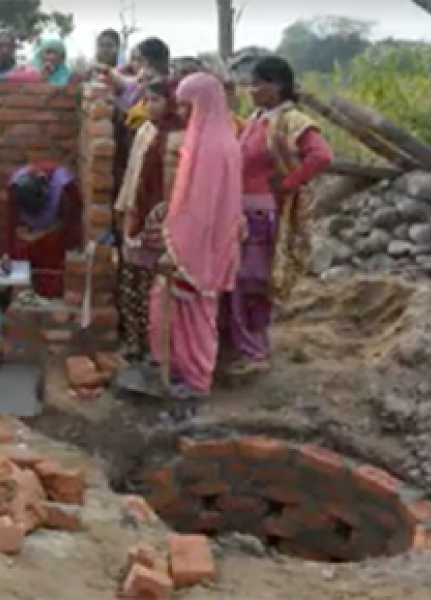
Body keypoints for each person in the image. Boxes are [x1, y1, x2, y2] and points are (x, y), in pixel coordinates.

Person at [221, 55, 333, 376]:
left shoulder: (291, 120)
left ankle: (255, 353)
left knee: (252, 281)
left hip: (262, 214)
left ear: (277, 86)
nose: (252, 89)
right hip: (242, 211)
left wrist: (287, 184)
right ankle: (242, 345)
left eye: (258, 83)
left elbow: (321, 155)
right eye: (251, 83)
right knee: (236, 283)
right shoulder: (257, 116)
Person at [148, 72, 243, 399]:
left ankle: (196, 382)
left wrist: (177, 249)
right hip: (194, 243)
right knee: (172, 308)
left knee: (197, 314)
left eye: (189, 107)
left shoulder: (213, 149)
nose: (185, 114)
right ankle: (176, 371)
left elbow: (201, 211)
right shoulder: (206, 141)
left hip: (199, 249)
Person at [114, 76, 186, 363]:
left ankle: (158, 348)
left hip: (163, 219)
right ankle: (134, 343)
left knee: (156, 287)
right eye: (146, 100)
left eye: (155, 100)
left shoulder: (182, 138)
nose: (148, 106)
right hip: (137, 215)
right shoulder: (144, 131)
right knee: (131, 283)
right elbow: (132, 173)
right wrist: (123, 207)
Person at [0, 161, 83, 299]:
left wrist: (65, 240)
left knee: (50, 263)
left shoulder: (64, 185)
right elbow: (10, 222)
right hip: (29, 232)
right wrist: (6, 252)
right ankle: (22, 292)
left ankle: (48, 293)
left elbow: (73, 217)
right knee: (21, 253)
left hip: (54, 231)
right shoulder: (15, 188)